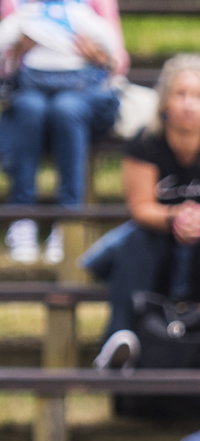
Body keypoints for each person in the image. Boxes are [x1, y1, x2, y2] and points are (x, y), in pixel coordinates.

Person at [93, 53, 200, 367]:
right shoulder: (145, 141)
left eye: (198, 96)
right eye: (180, 94)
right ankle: (120, 338)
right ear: (165, 101)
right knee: (138, 238)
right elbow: (141, 208)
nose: (189, 104)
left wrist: (197, 218)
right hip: (158, 256)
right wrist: (175, 217)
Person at [0, 0, 126, 264]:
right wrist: (17, 51)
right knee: (29, 109)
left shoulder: (89, 8)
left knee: (66, 110)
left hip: (79, 95)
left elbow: (118, 60)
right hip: (30, 94)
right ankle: (22, 216)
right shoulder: (19, 6)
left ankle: (68, 217)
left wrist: (99, 56)